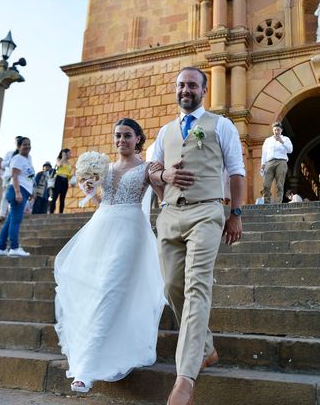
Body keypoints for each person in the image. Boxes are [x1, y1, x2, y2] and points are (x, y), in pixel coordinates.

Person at [148, 67, 246, 405]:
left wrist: (235, 214)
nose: (185, 89)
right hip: (170, 215)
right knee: (172, 285)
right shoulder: (164, 131)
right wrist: (165, 173)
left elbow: (236, 171)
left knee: (196, 286)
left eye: (192, 84)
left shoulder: (221, 125)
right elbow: (150, 169)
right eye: (181, 84)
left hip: (207, 211)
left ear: (204, 90)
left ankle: (185, 379)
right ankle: (205, 347)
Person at [54, 118, 166, 394]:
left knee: (110, 289)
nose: (121, 140)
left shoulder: (146, 168)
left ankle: (85, 371)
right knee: (95, 290)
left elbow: (163, 198)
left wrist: (161, 181)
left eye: (127, 135)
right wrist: (91, 192)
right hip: (101, 229)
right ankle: (91, 356)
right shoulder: (107, 168)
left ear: (138, 139)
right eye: (117, 136)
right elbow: (104, 201)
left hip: (130, 230)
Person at [0, 136, 34, 257]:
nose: (27, 146)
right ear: (18, 147)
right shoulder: (18, 158)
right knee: (16, 221)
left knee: (9, 221)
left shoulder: (26, 159)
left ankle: (1, 248)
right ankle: (14, 247)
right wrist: (18, 192)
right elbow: (15, 176)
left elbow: (27, 177)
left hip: (23, 190)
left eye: (29, 144)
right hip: (18, 190)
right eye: (24, 144)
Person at [260, 122, 293, 204]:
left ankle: (278, 203)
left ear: (281, 130)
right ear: (273, 130)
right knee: (266, 184)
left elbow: (290, 150)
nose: (276, 131)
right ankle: (266, 203)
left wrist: (281, 141)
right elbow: (264, 152)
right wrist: (263, 164)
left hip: (281, 162)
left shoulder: (285, 139)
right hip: (269, 162)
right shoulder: (268, 140)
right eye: (275, 130)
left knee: (279, 184)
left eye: (278, 130)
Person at [0, 136, 22, 221]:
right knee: (5, 196)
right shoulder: (10, 153)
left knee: (16, 196)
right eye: (17, 141)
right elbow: (2, 164)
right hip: (8, 176)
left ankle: (12, 214)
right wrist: (12, 161)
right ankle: (1, 215)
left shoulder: (25, 155)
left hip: (19, 178)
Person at [51, 149, 73, 214]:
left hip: (65, 180)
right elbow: (59, 165)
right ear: (65, 153)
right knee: (55, 196)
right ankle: (52, 212)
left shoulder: (69, 163)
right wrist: (63, 157)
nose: (70, 155)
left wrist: (72, 176)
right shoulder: (58, 159)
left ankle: (60, 213)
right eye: (69, 153)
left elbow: (68, 174)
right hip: (59, 179)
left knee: (62, 198)